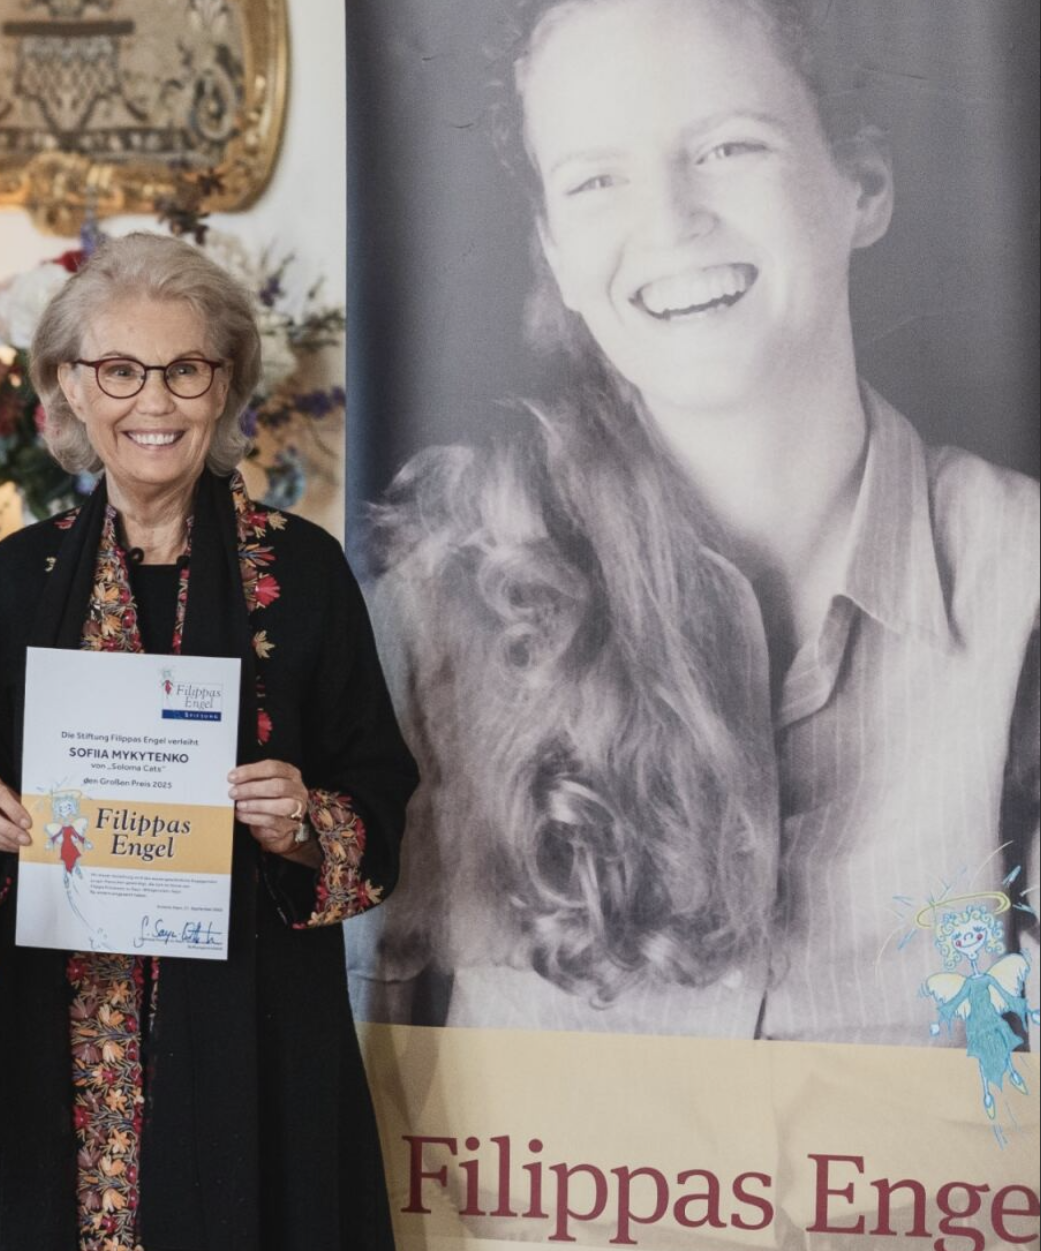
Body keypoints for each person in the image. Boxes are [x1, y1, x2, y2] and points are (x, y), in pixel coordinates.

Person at [355, 0, 1041, 1041]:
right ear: (553, 247)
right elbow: (343, 1075)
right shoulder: (435, 608)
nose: (669, 219)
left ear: (860, 183)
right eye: (594, 180)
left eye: (726, 146)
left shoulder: (1022, 588)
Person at [0, 232, 420, 1251]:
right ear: (69, 390)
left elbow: (380, 795)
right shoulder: (16, 577)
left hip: (251, 1032)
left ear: (225, 389)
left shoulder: (305, 573)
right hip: (51, 1035)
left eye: (184, 370)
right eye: (119, 370)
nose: (152, 400)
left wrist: (307, 823)